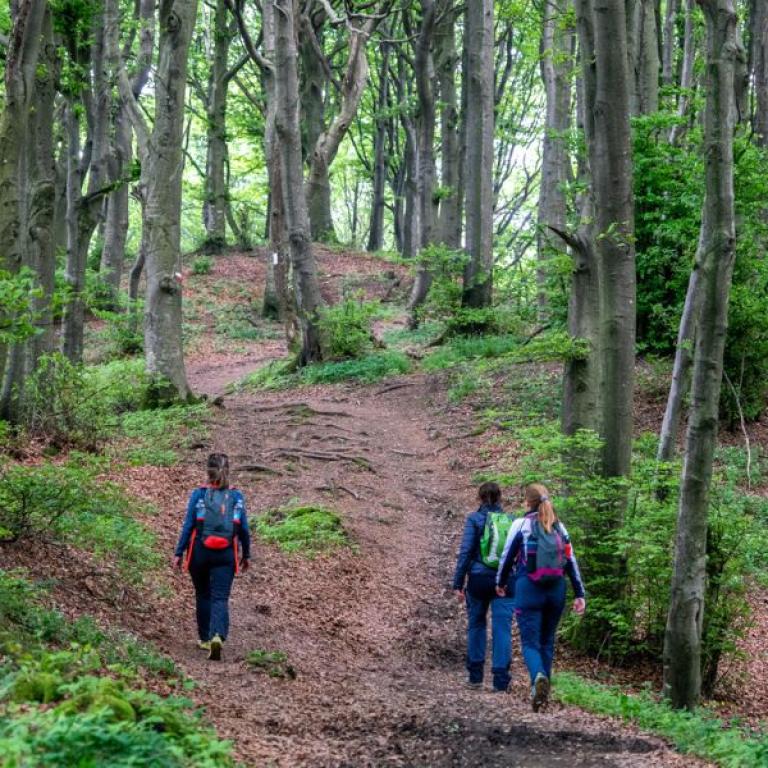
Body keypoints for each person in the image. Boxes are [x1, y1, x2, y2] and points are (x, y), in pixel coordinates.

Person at [496, 483, 585, 711]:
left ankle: (537, 678)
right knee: (547, 642)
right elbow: (571, 561)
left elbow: (507, 557)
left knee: (530, 642)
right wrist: (579, 593)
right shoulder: (559, 527)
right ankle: (544, 692)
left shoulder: (522, 525)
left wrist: (501, 582)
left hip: (529, 589)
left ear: (528, 502)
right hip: (556, 591)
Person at [173, 453, 251, 661]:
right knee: (220, 596)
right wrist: (247, 555)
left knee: (203, 594)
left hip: (199, 552)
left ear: (207, 471)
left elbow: (188, 525)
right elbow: (243, 529)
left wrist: (178, 552)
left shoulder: (198, 494)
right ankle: (217, 635)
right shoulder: (236, 497)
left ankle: (205, 637)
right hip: (226, 554)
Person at [452, 481, 516, 692]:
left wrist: (459, 583)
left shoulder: (475, 519)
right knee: (502, 628)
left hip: (478, 580)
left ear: (479, 498)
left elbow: (465, 552)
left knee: (477, 624)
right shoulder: (511, 520)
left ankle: (475, 676)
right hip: (505, 581)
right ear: (500, 498)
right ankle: (500, 680)